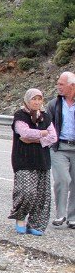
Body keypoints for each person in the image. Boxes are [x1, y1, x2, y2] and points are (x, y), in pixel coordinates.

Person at [10, 88, 57, 236]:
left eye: (39, 99)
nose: (36, 102)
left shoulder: (45, 116)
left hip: (42, 160)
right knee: (27, 192)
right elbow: (24, 133)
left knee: (42, 195)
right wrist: (43, 134)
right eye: (33, 99)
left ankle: (36, 224)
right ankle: (20, 217)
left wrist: (35, 139)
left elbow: (53, 137)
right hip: (23, 159)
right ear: (27, 100)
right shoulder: (20, 115)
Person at [49, 71, 75, 227]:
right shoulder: (54, 104)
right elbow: (46, 124)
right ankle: (60, 215)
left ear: (72, 86)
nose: (58, 87)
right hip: (59, 147)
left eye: (61, 84)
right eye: (58, 83)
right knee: (62, 179)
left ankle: (72, 217)